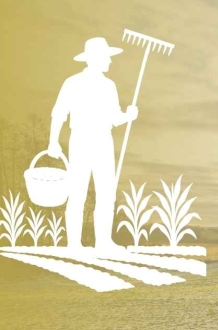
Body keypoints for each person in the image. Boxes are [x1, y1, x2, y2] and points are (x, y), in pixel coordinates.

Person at [47, 37, 138, 249]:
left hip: (103, 140)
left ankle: (104, 242)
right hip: (81, 139)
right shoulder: (72, 83)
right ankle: (73, 245)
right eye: (107, 57)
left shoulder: (109, 86)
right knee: (77, 191)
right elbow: (59, 113)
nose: (110, 61)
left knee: (107, 191)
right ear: (95, 58)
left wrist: (128, 115)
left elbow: (114, 118)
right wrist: (53, 141)